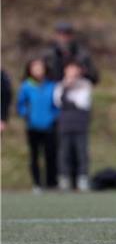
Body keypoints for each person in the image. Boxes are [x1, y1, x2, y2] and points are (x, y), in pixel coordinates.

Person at [17, 59, 59, 192]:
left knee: (50, 154)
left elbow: (57, 104)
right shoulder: (26, 86)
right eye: (35, 68)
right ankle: (37, 183)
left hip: (49, 126)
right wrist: (26, 114)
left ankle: (51, 183)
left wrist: (53, 116)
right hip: (33, 126)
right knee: (34, 155)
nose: (38, 70)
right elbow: (21, 105)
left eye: (40, 67)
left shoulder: (51, 85)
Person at [53, 59, 93, 191]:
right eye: (70, 69)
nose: (72, 72)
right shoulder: (60, 85)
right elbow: (57, 101)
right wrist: (66, 88)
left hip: (80, 124)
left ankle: (82, 179)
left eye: (75, 69)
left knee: (81, 152)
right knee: (64, 152)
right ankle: (64, 179)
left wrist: (69, 99)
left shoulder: (85, 85)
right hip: (65, 124)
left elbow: (83, 103)